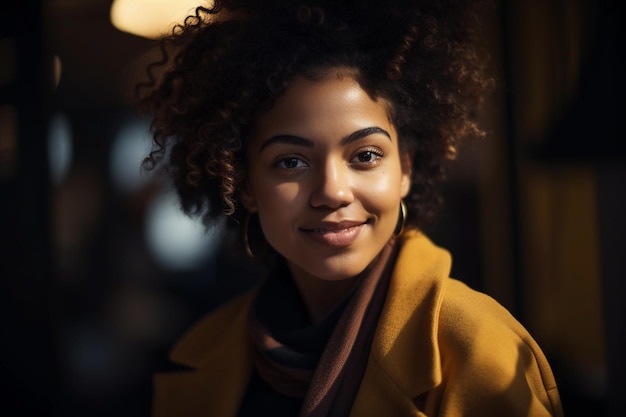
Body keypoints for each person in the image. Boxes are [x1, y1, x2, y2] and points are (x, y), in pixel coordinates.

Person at [137, 0, 563, 415]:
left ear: (405, 170)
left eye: (365, 155)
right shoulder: (202, 355)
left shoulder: (477, 349)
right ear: (244, 184)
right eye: (291, 162)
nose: (332, 192)